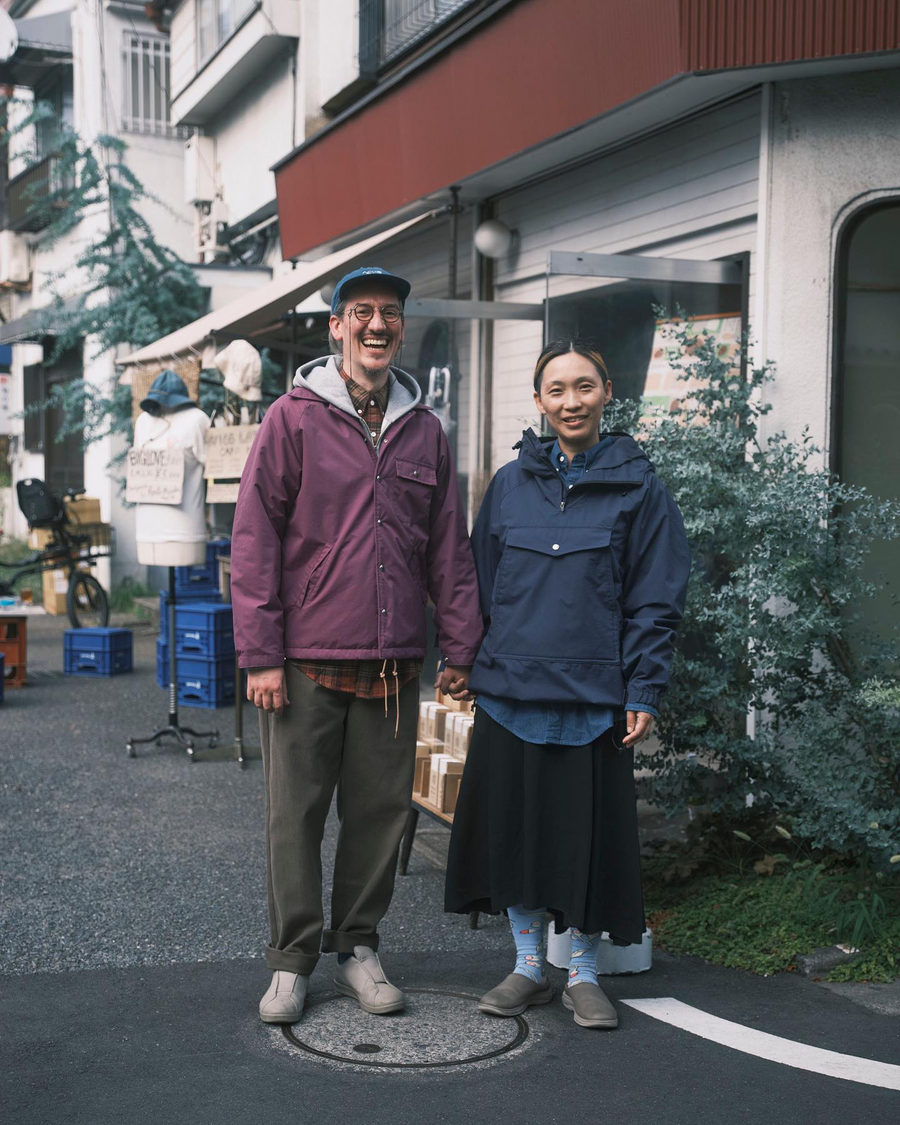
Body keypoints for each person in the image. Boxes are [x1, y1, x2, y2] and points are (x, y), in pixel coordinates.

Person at [231, 267, 482, 1025]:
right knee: (294, 816)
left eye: (390, 314)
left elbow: (450, 548)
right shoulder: (292, 418)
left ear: (400, 328)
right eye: (362, 312)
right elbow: (254, 539)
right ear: (336, 327)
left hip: (395, 662)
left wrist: (462, 646)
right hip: (304, 659)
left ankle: (359, 948)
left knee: (379, 816)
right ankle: (291, 960)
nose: (377, 324)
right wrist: (260, 653)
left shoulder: (425, 429)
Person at [445, 339, 690, 1030]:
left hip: (595, 701)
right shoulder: (509, 483)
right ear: (539, 400)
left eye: (584, 386)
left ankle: (582, 971)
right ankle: (528, 967)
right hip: (509, 693)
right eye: (557, 389)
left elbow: (656, 596)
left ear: (609, 391)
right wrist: (464, 658)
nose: (571, 400)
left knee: (582, 842)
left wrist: (643, 687)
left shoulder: (641, 487)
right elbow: (477, 583)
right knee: (517, 838)